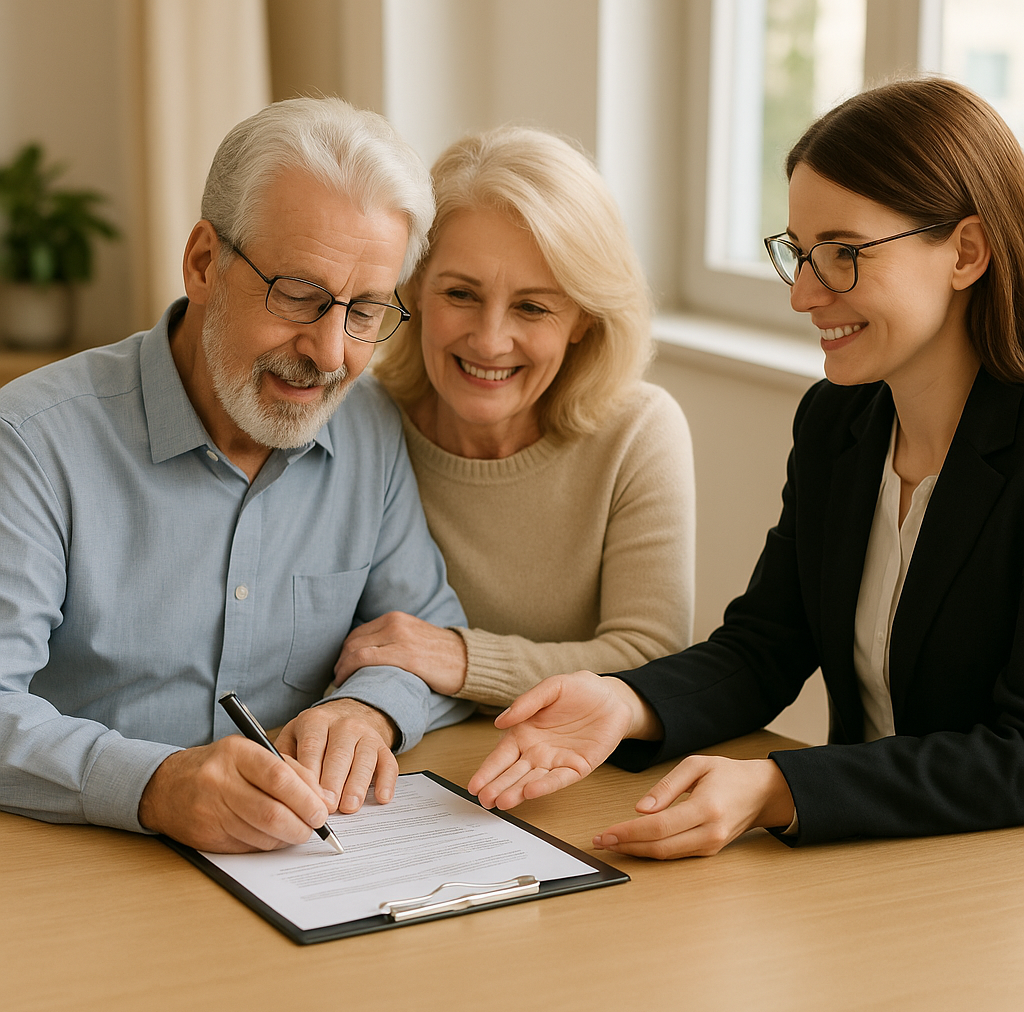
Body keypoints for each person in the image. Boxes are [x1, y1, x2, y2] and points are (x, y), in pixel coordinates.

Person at [467, 77, 1024, 858]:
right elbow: (767, 643)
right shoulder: (840, 424)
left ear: (965, 252)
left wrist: (779, 788)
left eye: (842, 255)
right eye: (800, 254)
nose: (803, 294)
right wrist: (624, 702)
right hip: (867, 862)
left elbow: (1017, 752)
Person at [0, 97, 473, 853]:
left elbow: (428, 639)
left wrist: (366, 712)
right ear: (202, 264)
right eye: (300, 296)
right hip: (82, 874)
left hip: (301, 868)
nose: (328, 352)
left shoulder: (371, 426)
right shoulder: (30, 442)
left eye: (365, 312)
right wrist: (156, 785)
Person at [331, 126, 695, 708]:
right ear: (417, 285)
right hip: (398, 759)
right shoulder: (358, 422)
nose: (490, 340)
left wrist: (460, 656)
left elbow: (651, 659)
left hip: (572, 773)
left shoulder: (638, 431)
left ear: (583, 320)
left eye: (532, 307)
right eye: (461, 294)